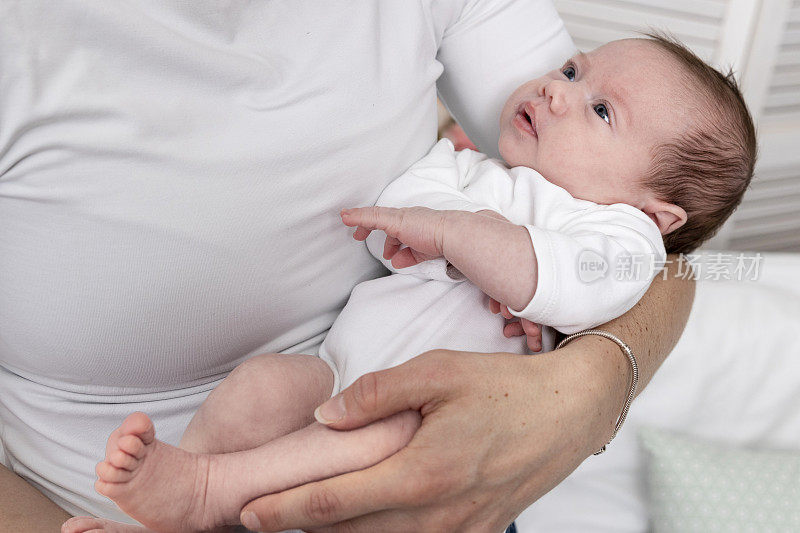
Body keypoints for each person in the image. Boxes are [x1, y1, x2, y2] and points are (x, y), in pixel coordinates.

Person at [0, 2, 695, 532]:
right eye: (571, 71)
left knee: (387, 437)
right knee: (258, 391)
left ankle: (210, 490)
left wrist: (583, 393)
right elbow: (415, 196)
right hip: (321, 373)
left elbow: (664, 268)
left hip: (409, 413)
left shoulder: (617, 226)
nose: (555, 89)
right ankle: (195, 494)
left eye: (596, 104)